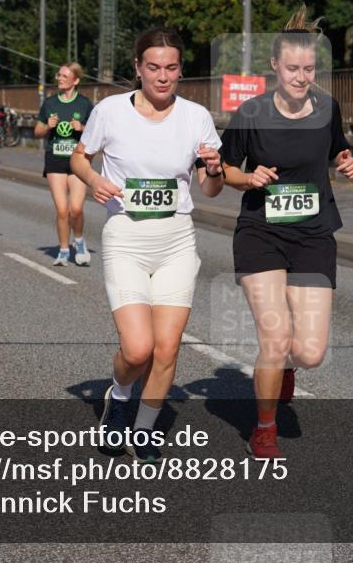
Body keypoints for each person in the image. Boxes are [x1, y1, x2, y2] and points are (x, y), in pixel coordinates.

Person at [71, 27, 224, 463]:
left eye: (171, 68)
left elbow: (210, 189)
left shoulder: (196, 116)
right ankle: (119, 396)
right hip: (126, 238)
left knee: (167, 347)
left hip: (176, 239)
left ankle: (144, 429)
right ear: (137, 68)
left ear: (180, 70)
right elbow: (79, 157)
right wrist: (94, 179)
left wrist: (214, 168)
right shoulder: (110, 111)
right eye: (153, 67)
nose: (162, 76)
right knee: (138, 348)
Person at [219, 6, 353, 458]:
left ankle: (286, 369)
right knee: (275, 340)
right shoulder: (252, 112)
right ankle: (264, 429)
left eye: (309, 69)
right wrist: (249, 178)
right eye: (293, 68)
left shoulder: (328, 108)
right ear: (275, 66)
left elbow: (338, 149)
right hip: (260, 233)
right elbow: (224, 170)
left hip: (314, 235)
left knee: (311, 351)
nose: (301, 77)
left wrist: (346, 161)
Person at [34, 62, 94, 267]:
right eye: (58, 75)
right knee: (62, 210)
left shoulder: (85, 104)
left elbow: (97, 133)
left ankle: (79, 241)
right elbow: (37, 132)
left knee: (75, 208)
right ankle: (63, 250)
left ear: (75, 80)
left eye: (64, 76)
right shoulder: (50, 103)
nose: (59, 78)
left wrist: (82, 128)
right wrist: (47, 126)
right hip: (55, 158)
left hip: (78, 160)